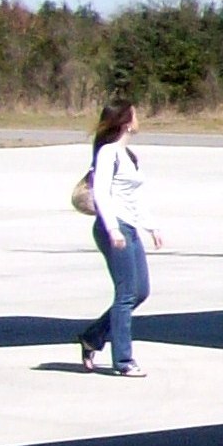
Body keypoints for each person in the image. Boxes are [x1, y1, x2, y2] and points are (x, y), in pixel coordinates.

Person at [77, 100, 162, 376]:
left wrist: (151, 226)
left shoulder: (129, 155)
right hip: (113, 228)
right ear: (126, 122)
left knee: (141, 292)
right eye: (135, 115)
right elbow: (101, 193)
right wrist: (112, 229)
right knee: (126, 294)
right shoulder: (108, 153)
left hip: (130, 227)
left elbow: (134, 198)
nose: (139, 119)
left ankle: (92, 336)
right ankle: (123, 361)